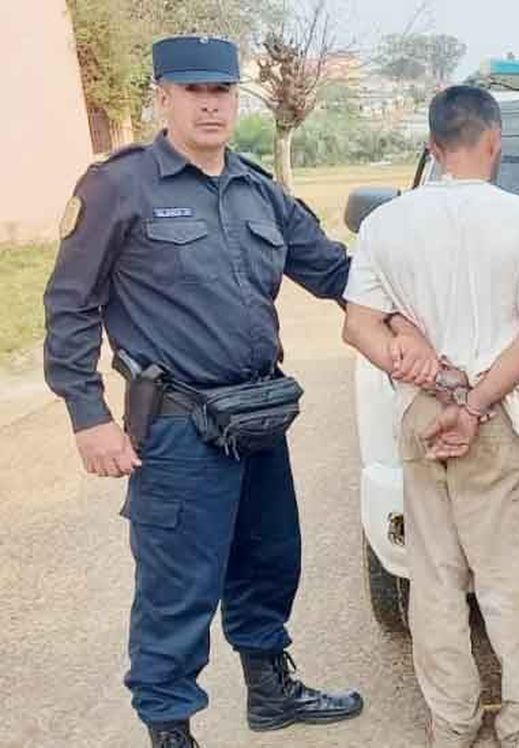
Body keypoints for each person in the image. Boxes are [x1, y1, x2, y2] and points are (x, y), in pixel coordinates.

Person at [42, 36, 436, 747]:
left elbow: (330, 268)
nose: (211, 105)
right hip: (177, 427)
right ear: (162, 97)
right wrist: (88, 415)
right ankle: (169, 729)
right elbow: (71, 305)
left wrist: (398, 316)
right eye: (194, 92)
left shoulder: (258, 189)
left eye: (221, 91)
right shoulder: (120, 186)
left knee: (269, 559)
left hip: (256, 417)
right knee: (176, 590)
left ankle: (270, 691)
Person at [341, 85, 519, 748]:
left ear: (432, 147)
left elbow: (357, 327)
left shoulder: (386, 225)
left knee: (437, 581)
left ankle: (450, 724)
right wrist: (475, 407)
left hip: (424, 419)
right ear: (495, 140)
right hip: (500, 420)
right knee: (517, 584)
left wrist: (409, 363)